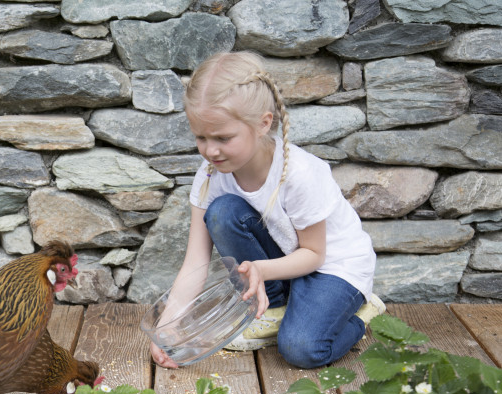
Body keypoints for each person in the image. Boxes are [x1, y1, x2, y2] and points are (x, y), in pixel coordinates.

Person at [150, 51, 384, 370]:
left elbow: (315, 254)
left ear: (263, 124)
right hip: (282, 264)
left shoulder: (299, 175)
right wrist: (167, 328)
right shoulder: (210, 175)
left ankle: (360, 314)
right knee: (221, 211)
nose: (210, 150)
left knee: (302, 348)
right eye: (200, 137)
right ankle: (276, 307)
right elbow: (196, 261)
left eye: (222, 138)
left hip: (332, 267)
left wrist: (262, 269)